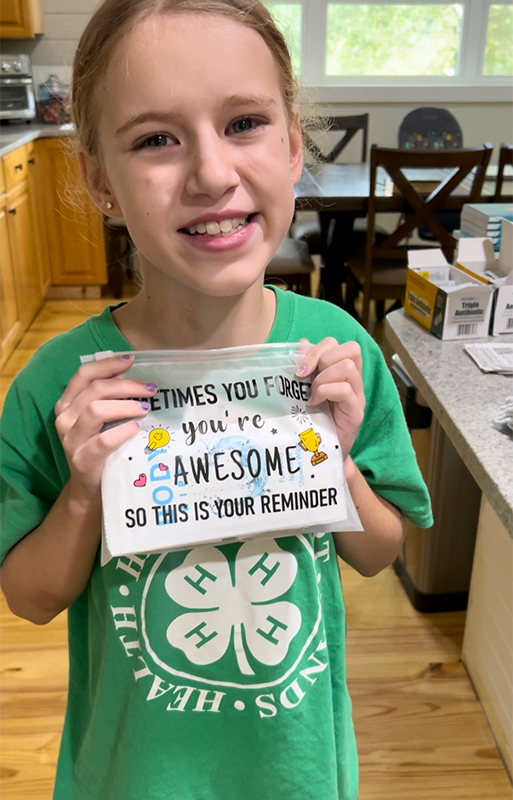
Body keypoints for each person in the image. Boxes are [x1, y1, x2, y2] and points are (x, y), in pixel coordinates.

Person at [0, 1, 433, 798]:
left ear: (293, 143)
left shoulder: (338, 355)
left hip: (296, 773)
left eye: (243, 123)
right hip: (132, 776)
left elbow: (378, 552)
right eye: (156, 139)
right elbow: (28, 600)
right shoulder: (56, 387)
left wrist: (336, 467)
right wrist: (82, 495)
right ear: (100, 181)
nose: (209, 174)